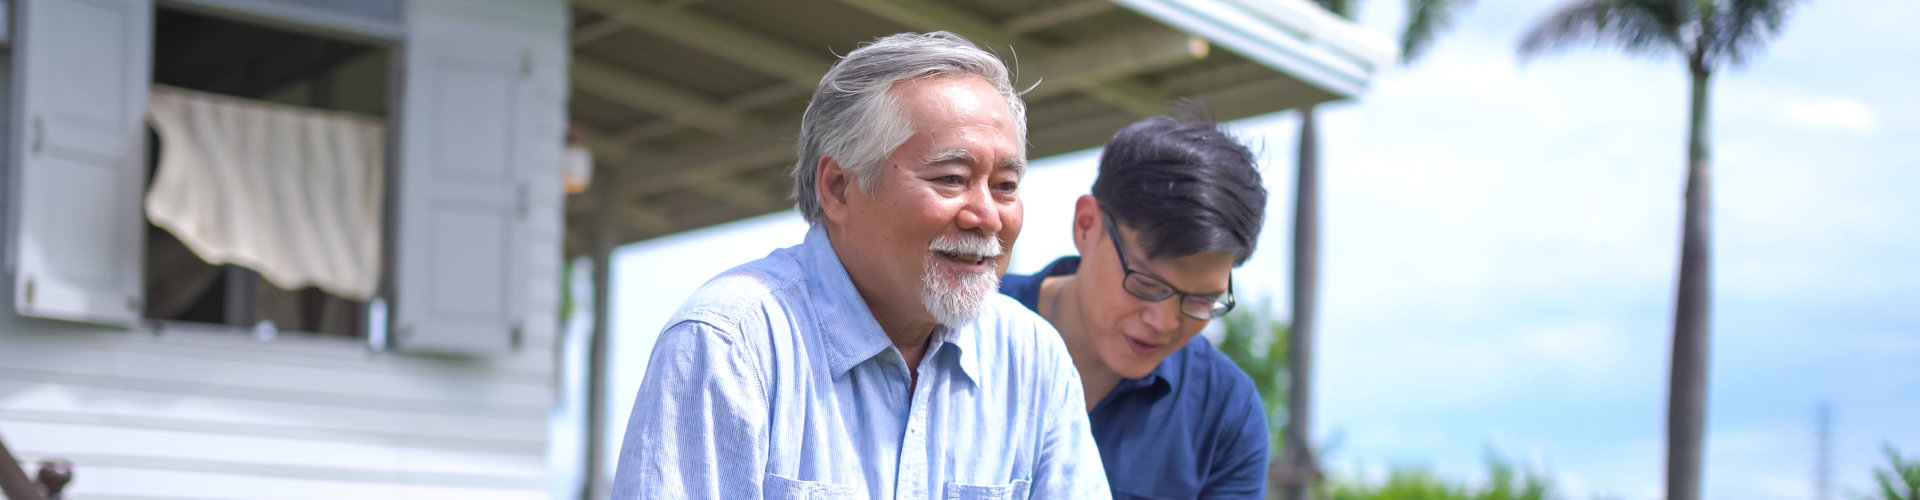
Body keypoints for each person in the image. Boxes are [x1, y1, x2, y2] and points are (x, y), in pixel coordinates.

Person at [610, 32, 1109, 499]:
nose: (986, 216)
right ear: (838, 188)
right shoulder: (732, 345)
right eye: (952, 178)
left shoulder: (1029, 357)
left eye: (1005, 186)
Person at [999, 111, 1271, 499]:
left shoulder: (1225, 413)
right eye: (1145, 283)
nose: (1163, 322)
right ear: (1087, 225)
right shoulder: (956, 329)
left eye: (1200, 300)